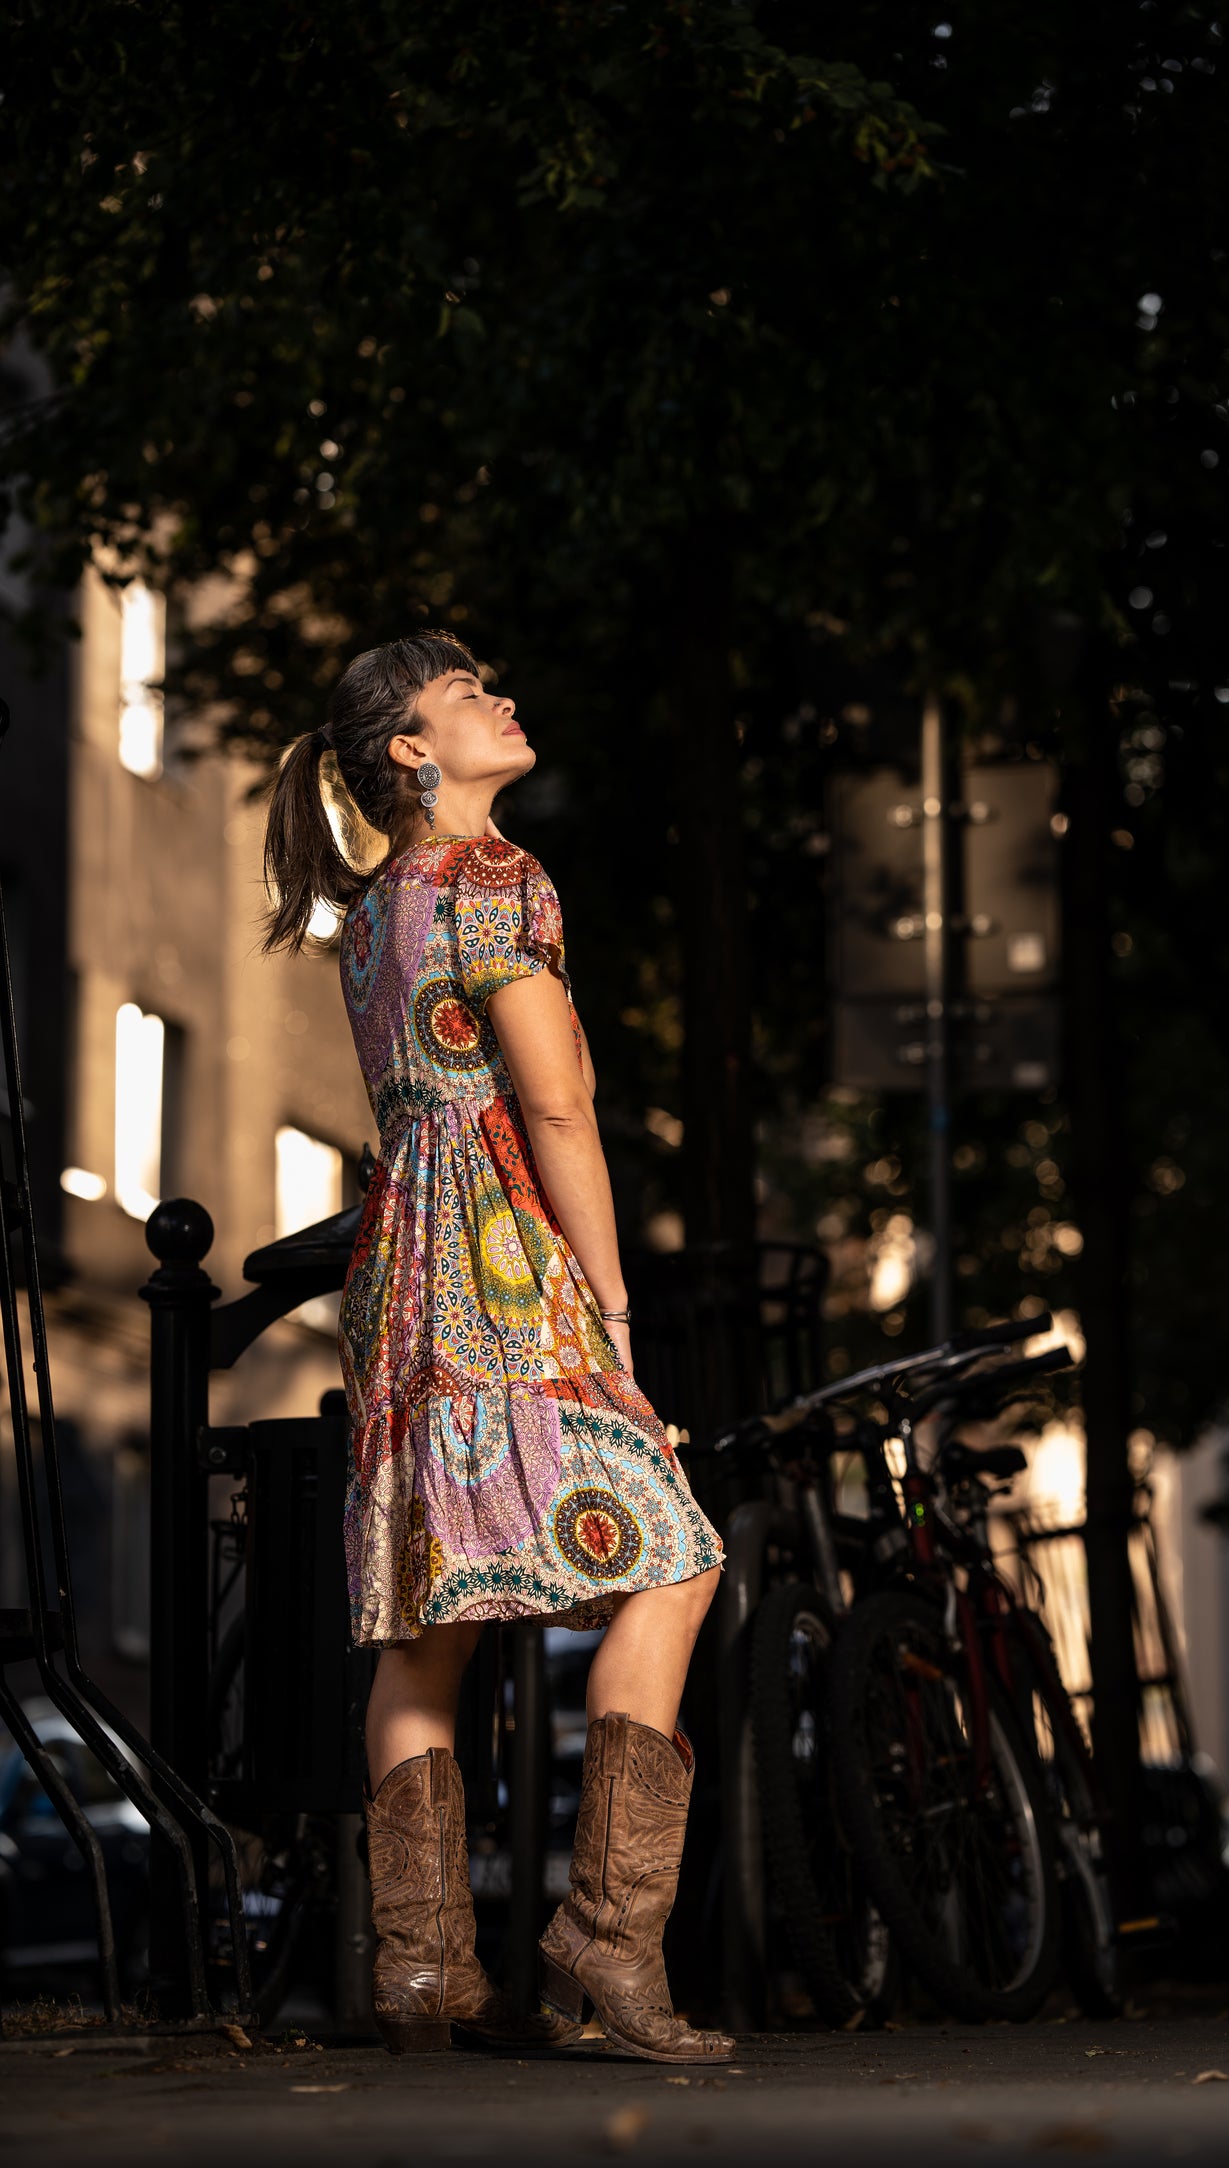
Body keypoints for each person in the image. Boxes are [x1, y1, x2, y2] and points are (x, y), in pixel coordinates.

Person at [262, 632, 730, 2063]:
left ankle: (421, 1972)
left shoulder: (379, 904)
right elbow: (560, 1105)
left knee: (429, 1629)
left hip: (403, 1281)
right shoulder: (492, 880)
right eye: (470, 696)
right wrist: (612, 1308)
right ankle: (605, 1943)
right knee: (677, 1559)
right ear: (412, 751)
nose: (504, 701)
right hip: (505, 1272)